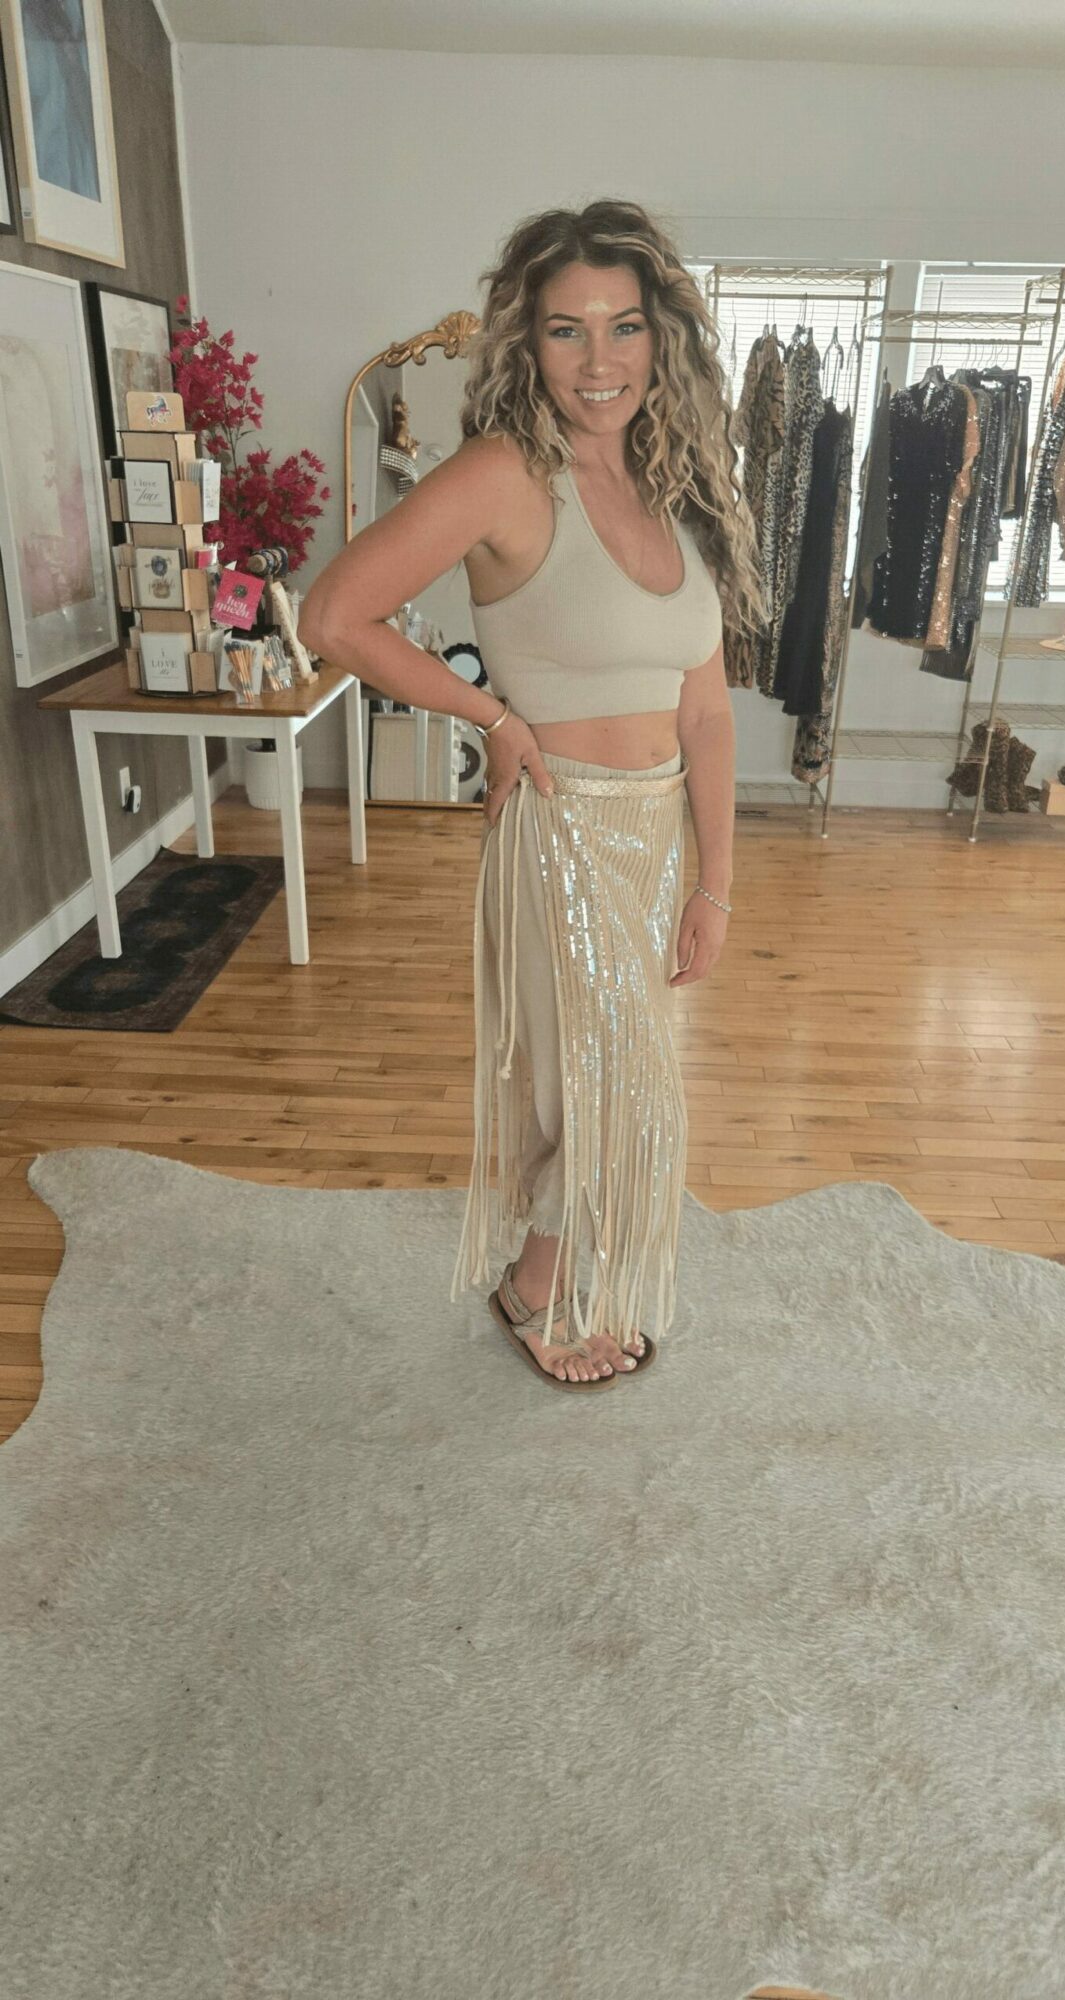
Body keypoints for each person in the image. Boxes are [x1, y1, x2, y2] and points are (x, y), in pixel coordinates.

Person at [299, 198, 762, 1393]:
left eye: (622, 326)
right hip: (561, 827)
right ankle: (532, 1284)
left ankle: (545, 1270)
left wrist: (716, 881)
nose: (598, 360)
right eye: (566, 329)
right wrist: (492, 717)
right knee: (605, 1085)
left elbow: (706, 712)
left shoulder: (675, 484)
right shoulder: (505, 474)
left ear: (661, 337)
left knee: (618, 1077)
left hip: (656, 832)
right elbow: (333, 615)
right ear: (529, 341)